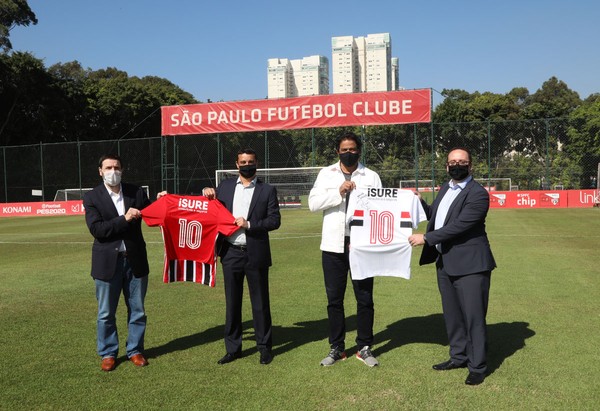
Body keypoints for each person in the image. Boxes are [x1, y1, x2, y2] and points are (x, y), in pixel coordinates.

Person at [408, 147, 496, 385]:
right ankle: (458, 356)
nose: (458, 165)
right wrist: (418, 203)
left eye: (462, 161)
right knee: (453, 315)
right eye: (453, 161)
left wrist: (426, 238)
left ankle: (477, 366)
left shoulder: (478, 194)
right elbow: (437, 218)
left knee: (473, 317)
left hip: (471, 265)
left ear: (470, 166)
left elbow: (460, 225)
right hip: (445, 262)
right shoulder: (446, 187)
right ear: (446, 166)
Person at [83, 154, 165, 372]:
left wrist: (161, 201)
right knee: (105, 312)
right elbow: (97, 230)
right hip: (107, 263)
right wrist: (125, 219)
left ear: (122, 169)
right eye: (108, 167)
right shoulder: (92, 197)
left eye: (117, 167)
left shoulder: (136, 192)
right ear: (100, 171)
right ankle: (108, 353)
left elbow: (152, 216)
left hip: (135, 260)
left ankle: (135, 350)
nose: (113, 171)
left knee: (137, 310)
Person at [308, 131, 382, 367]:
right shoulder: (326, 173)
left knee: (365, 298)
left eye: (352, 149)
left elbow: (380, 207)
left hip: (362, 245)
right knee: (334, 299)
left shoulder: (371, 175)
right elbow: (312, 204)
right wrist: (338, 192)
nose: (348, 153)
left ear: (359, 150)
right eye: (344, 149)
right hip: (332, 245)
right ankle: (337, 347)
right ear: (337, 151)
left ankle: (364, 347)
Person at [203, 148, 281, 365]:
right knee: (232, 303)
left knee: (260, 303)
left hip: (255, 253)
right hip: (230, 253)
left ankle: (264, 348)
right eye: (243, 162)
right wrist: (207, 191)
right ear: (236, 164)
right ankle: (233, 348)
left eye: (251, 162)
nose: (247, 165)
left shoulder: (267, 190)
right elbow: (209, 208)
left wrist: (250, 224)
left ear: (257, 163)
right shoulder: (225, 187)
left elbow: (274, 220)